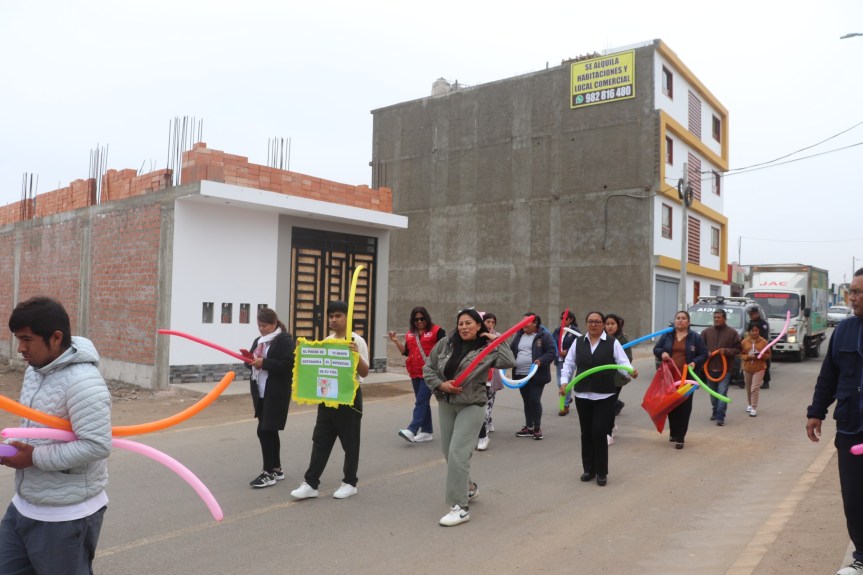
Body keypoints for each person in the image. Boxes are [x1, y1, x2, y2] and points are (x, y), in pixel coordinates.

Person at [0, 296, 112, 574]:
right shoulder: (36, 371)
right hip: (25, 504)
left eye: (27, 339)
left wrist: (33, 458)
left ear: (56, 337)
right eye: (17, 338)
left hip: (66, 516)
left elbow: (96, 446)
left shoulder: (84, 382)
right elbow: (35, 429)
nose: (20, 349)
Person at [423, 308, 515, 526]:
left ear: (478, 326)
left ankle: (459, 507)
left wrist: (497, 340)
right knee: (448, 451)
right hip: (446, 401)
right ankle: (470, 488)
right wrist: (440, 384)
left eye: (469, 323)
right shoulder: (445, 344)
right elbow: (428, 368)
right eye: (461, 323)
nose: (464, 327)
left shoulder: (487, 348)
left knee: (458, 452)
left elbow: (508, 361)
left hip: (472, 404)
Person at [806, 269, 863, 575]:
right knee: (854, 499)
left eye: (857, 292)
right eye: (850, 292)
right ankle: (862, 557)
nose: (851, 298)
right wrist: (816, 411)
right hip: (852, 429)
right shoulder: (844, 330)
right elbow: (829, 374)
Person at [291, 301, 369, 500]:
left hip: (349, 399)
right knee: (320, 440)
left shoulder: (356, 341)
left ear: (347, 318)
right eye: (331, 316)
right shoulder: (327, 340)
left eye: (338, 316)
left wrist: (356, 355)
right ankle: (311, 483)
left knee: (350, 443)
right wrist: (303, 350)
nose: (333, 320)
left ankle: (350, 482)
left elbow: (365, 372)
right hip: (326, 397)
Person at [560, 311, 636, 486]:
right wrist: (564, 382)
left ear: (602, 324)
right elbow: (569, 364)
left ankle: (602, 471)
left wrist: (630, 371)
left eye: (597, 322)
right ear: (586, 324)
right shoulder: (578, 342)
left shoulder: (612, 343)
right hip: (582, 394)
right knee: (586, 433)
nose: (593, 325)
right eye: (590, 321)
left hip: (605, 395)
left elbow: (622, 363)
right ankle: (589, 469)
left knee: (599, 431)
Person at [246, 308, 295, 488]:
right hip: (260, 391)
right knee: (269, 430)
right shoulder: (259, 341)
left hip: (276, 392)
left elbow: (288, 364)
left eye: (264, 325)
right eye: (259, 325)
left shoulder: (284, 340)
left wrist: (264, 363)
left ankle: (268, 473)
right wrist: (249, 359)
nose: (261, 329)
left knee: (265, 431)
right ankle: (276, 468)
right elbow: (249, 362)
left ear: (274, 323)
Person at [653, 310, 708, 449]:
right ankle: (674, 432)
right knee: (671, 404)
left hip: (687, 378)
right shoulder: (667, 335)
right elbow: (656, 349)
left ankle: (681, 437)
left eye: (683, 318)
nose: (680, 320)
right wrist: (662, 353)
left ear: (688, 322)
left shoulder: (695, 337)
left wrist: (695, 362)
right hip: (669, 376)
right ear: (675, 321)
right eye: (678, 318)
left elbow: (704, 354)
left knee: (684, 406)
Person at [390, 307, 445, 444]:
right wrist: (396, 341)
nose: (419, 321)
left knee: (420, 401)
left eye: (422, 318)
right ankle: (426, 432)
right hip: (414, 373)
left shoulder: (437, 331)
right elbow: (406, 352)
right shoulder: (410, 334)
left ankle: (412, 429)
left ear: (427, 318)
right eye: (416, 320)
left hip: (430, 373)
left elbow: (446, 350)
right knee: (423, 402)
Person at [511, 313, 556, 440]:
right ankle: (529, 427)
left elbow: (552, 352)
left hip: (537, 374)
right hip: (520, 374)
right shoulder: (519, 335)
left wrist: (541, 360)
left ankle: (537, 427)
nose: (522, 324)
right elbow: (512, 350)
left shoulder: (544, 336)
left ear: (534, 323)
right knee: (527, 401)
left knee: (534, 399)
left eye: (526, 321)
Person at [700, 309, 742, 426]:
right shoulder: (707, 332)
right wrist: (706, 352)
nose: (717, 319)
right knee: (713, 394)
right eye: (715, 317)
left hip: (725, 369)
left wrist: (726, 351)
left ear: (724, 319)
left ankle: (720, 416)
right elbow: (700, 347)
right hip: (710, 369)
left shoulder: (732, 333)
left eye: (719, 317)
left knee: (722, 393)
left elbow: (738, 349)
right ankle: (715, 411)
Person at [604, 313, 633, 444]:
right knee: (603, 404)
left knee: (609, 404)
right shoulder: (599, 338)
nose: (610, 327)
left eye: (612, 324)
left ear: (618, 325)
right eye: (607, 324)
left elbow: (627, 359)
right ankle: (609, 425)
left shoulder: (622, 340)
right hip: (600, 377)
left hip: (616, 379)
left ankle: (608, 432)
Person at [476, 312, 502, 451]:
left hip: (492, 375)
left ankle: (484, 429)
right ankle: (487, 423)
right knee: (482, 403)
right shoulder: (478, 336)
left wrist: (488, 335)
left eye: (493, 322)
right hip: (479, 377)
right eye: (488, 322)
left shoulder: (496, 336)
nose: (491, 325)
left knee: (489, 403)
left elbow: (502, 345)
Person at [740, 321, 770, 417]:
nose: (755, 332)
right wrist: (748, 357)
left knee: (754, 388)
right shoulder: (744, 342)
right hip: (747, 368)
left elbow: (768, 355)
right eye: (753, 330)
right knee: (748, 388)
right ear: (749, 331)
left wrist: (761, 355)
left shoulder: (764, 342)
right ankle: (749, 404)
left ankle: (754, 407)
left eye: (756, 330)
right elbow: (740, 354)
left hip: (759, 368)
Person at [552, 310, 579, 416]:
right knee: (559, 382)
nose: (563, 321)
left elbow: (578, 345)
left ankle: (565, 405)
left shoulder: (575, 331)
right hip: (559, 360)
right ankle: (568, 398)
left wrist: (567, 351)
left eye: (566, 319)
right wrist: (556, 352)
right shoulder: (557, 330)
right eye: (561, 318)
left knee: (565, 382)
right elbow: (552, 342)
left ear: (571, 319)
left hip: (569, 360)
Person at [748, 307, 771, 389]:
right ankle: (743, 380)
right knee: (748, 362)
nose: (750, 316)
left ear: (757, 314)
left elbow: (764, 336)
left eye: (751, 314)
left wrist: (760, 346)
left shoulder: (763, 323)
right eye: (749, 315)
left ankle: (766, 382)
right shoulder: (751, 323)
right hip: (752, 345)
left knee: (764, 365)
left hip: (762, 346)